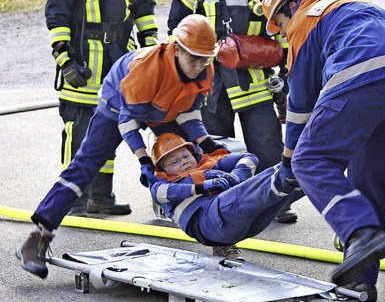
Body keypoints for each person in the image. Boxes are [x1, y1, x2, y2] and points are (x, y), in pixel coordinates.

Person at [16, 16, 233, 279]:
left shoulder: (203, 68)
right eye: (193, 59)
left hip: (161, 109)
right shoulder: (147, 69)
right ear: (176, 49)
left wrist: (205, 143)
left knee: (191, 159)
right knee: (85, 167)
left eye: (204, 59)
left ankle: (221, 239)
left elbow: (188, 111)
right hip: (118, 105)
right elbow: (127, 121)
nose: (199, 66)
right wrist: (144, 160)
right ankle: (38, 238)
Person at [261, 0, 385, 302]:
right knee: (369, 179)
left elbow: (300, 105)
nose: (281, 34)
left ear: (288, 7)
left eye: (278, 25)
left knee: (310, 160)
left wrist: (288, 161)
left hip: (361, 73)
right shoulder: (351, 6)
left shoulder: (303, 21)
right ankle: (360, 282)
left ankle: (360, 234)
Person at [167, 0, 295, 224]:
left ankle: (276, 202)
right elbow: (176, 25)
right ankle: (219, 202)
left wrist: (288, 72)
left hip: (253, 79)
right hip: (211, 82)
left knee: (266, 143)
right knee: (214, 143)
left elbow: (284, 30)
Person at [46, 0, 158, 217]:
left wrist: (149, 46)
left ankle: (100, 197)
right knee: (79, 131)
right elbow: (57, 14)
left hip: (117, 61)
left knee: (108, 130)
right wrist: (64, 59)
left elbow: (144, 4)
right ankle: (74, 200)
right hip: (82, 64)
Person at [148, 133, 304, 260]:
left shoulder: (208, 163)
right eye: (175, 161)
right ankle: (288, 175)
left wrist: (237, 175)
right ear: (164, 168)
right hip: (211, 226)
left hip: (248, 224)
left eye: (186, 156)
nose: (183, 162)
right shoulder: (163, 183)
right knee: (266, 185)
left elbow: (249, 158)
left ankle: (302, 169)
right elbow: (160, 193)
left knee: (286, 180)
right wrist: (203, 186)